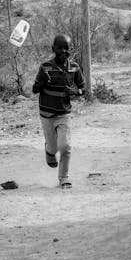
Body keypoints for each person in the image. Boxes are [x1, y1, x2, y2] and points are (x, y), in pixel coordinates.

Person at [31, 34, 84, 189]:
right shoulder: (45, 67)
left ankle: (63, 178)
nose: (63, 51)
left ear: (70, 50)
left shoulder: (74, 67)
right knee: (54, 148)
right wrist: (42, 82)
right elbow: (35, 89)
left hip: (63, 114)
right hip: (46, 114)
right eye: (59, 48)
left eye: (66, 48)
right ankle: (49, 150)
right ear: (53, 49)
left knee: (65, 146)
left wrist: (76, 92)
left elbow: (83, 88)